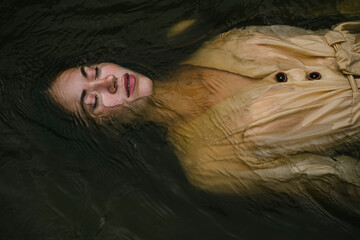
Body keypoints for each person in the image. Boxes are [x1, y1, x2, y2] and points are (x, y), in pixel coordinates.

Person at [49, 21, 360, 197]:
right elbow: (336, 177)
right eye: (92, 102)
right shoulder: (209, 164)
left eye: (93, 72)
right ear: (103, 131)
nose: (108, 83)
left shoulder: (221, 44)